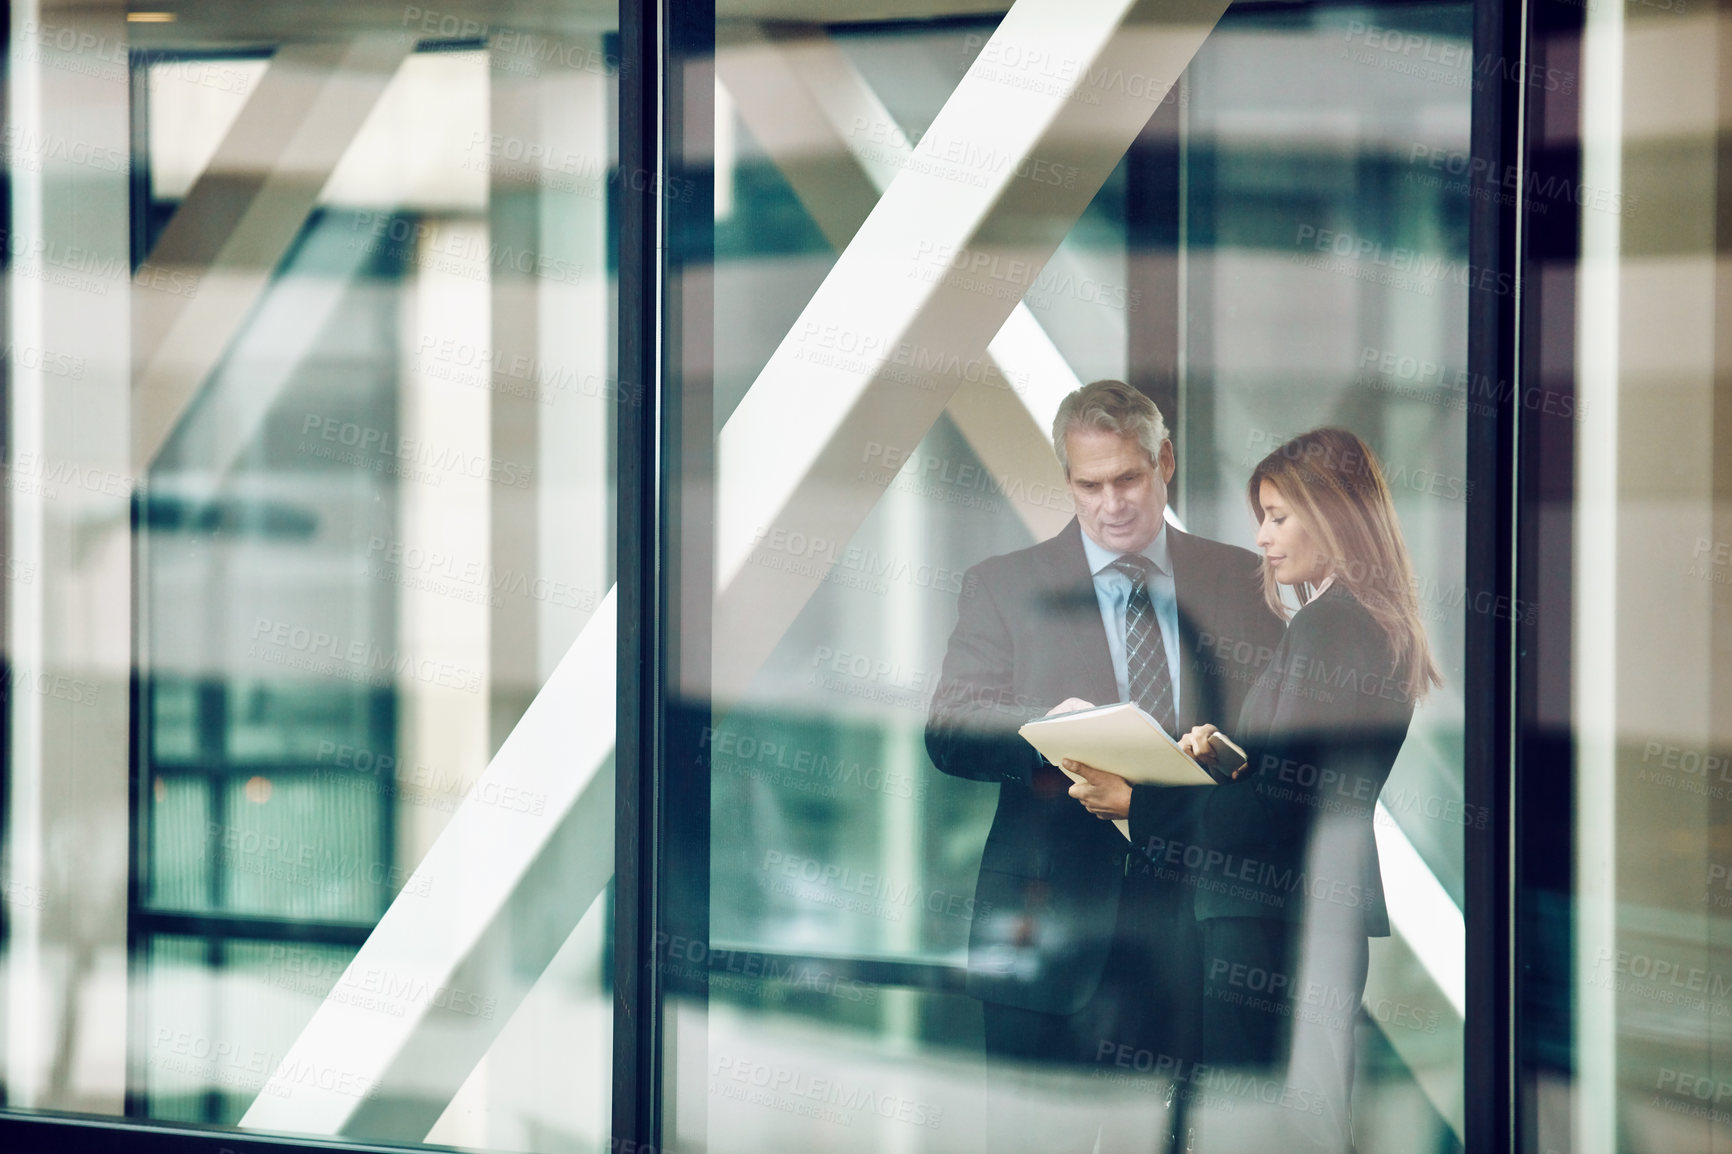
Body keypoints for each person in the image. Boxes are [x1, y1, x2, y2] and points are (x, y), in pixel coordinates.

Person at [925, 380, 1283, 1153]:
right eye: (1090, 485)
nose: (1111, 503)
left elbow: (1275, 752)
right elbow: (949, 730)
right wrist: (1038, 732)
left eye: (1128, 478)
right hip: (1041, 932)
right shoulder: (1006, 585)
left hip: (1189, 931)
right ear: (1068, 482)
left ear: (1166, 464)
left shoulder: (1237, 584)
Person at [1064, 427, 1442, 1153]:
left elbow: (1277, 807)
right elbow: (1297, 780)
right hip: (1298, 911)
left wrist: (1138, 799)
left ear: (1334, 513)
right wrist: (1226, 757)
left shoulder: (1331, 628)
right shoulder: (1360, 624)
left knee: (1260, 1129)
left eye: (1278, 516)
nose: (1263, 539)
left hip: (1271, 917)